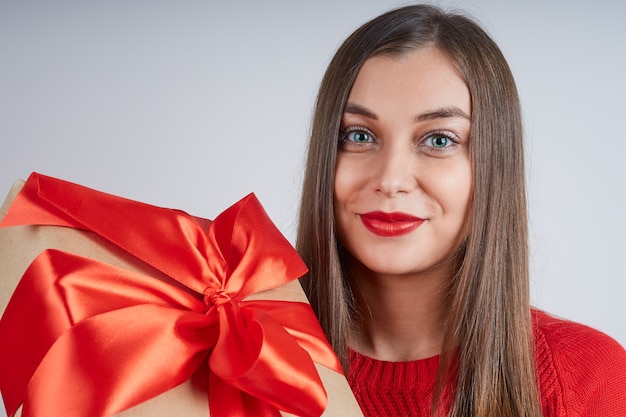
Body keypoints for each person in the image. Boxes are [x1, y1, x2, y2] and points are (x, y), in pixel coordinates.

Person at [295, 4, 626, 417]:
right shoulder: (235, 354)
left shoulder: (589, 378)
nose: (391, 178)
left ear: (492, 166)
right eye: (359, 135)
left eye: (438, 140)